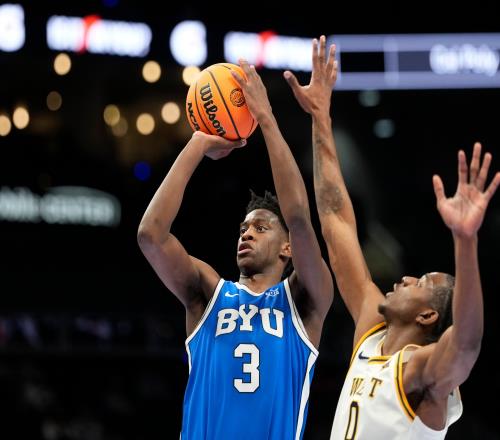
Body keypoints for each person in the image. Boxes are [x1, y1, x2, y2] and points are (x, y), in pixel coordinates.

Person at [284, 35, 500, 439]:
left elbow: (467, 343)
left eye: (422, 282)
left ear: (428, 316)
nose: (405, 278)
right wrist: (320, 118)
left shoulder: (423, 371)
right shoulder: (371, 330)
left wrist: (465, 240)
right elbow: (336, 221)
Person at [137, 59, 333, 439]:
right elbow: (151, 235)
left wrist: (266, 118)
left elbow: (298, 217)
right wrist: (197, 144)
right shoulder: (209, 295)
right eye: (243, 228)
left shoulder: (304, 301)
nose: (246, 234)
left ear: (288, 248)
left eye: (260, 228)